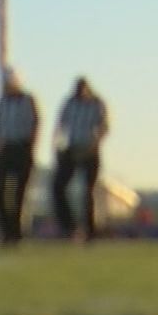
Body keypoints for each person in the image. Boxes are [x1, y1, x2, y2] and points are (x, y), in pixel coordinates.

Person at [51, 76, 109, 239]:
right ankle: (69, 226)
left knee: (88, 191)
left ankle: (91, 230)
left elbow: (105, 126)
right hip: (72, 148)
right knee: (58, 187)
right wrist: (57, 145)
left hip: (90, 149)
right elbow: (60, 125)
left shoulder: (97, 103)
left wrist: (95, 142)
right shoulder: (69, 103)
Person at [0, 68, 39, 244]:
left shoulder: (28, 100)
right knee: (0, 193)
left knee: (19, 193)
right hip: (5, 148)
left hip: (22, 148)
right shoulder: (1, 102)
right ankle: (5, 230)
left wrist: (30, 147)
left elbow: (35, 123)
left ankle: (16, 232)